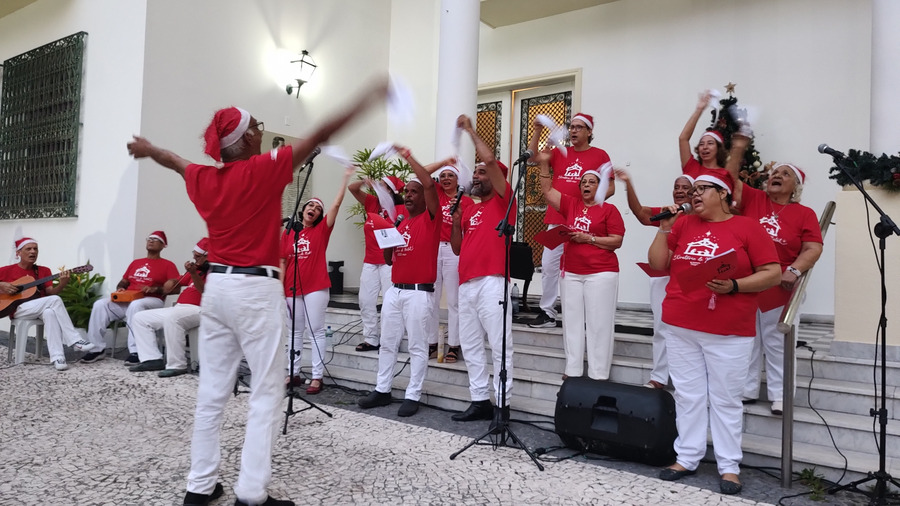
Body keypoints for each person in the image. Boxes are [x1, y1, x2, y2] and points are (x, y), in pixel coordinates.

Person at [126, 81, 386, 506]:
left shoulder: (204, 179)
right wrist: (366, 99)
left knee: (212, 391)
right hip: (255, 289)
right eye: (256, 128)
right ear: (245, 138)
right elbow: (319, 134)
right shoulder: (262, 168)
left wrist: (150, 149)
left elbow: (176, 162)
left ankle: (200, 485)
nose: (260, 133)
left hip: (218, 291)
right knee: (266, 390)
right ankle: (251, 493)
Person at [648, 170, 780, 495]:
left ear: (722, 193)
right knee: (689, 395)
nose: (694, 194)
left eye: (702, 189)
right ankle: (687, 456)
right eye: (692, 190)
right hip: (681, 326)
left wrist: (735, 285)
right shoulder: (683, 224)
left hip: (728, 331)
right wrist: (664, 230)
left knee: (725, 399)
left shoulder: (747, 226)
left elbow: (773, 273)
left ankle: (729, 465)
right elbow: (657, 264)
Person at [727, 135, 824, 415]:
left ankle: (780, 396)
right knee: (747, 337)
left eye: (785, 174)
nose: (776, 176)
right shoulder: (756, 199)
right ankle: (746, 389)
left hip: (779, 282)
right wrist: (738, 147)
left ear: (796, 186)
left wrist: (794, 270)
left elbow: (813, 247)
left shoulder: (804, 213)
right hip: (748, 280)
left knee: (776, 340)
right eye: (773, 173)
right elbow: (729, 178)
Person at [357, 148, 441, 418]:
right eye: (408, 193)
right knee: (388, 342)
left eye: (414, 192)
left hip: (418, 293)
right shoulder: (401, 223)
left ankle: (413, 394)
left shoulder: (431, 219)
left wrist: (407, 157)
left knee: (417, 346)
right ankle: (382, 389)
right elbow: (389, 260)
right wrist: (387, 237)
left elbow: (428, 182)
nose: (410, 195)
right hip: (395, 290)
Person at [449, 115, 516, 427]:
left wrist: (470, 131)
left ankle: (502, 406)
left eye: (481, 171)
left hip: (493, 282)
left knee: (500, 345)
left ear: (496, 177)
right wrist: (455, 220)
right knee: (472, 345)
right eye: (475, 171)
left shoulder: (505, 201)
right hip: (467, 284)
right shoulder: (471, 208)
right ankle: (479, 401)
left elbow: (489, 157)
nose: (476, 175)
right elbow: (457, 249)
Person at [537, 149, 624, 381]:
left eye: (592, 182)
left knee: (599, 325)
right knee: (572, 323)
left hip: (601, 274)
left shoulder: (609, 210)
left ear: (601, 186)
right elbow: (547, 191)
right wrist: (545, 165)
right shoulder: (571, 205)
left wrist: (590, 239)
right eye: (583, 182)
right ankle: (573, 369)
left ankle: (598, 374)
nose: (586, 185)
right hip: (572, 273)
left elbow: (617, 241)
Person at [527, 113, 615, 328]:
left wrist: (591, 203)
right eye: (571, 127)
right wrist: (537, 130)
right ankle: (547, 312)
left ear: (589, 131)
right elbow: (532, 158)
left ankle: (579, 315)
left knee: (579, 267)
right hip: (557, 219)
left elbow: (610, 187)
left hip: (584, 221)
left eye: (579, 127)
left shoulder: (600, 155)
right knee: (548, 265)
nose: (573, 131)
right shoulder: (560, 152)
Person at [616, 170, 695, 389]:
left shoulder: (700, 217)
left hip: (689, 281)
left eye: (684, 187)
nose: (679, 191)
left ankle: (686, 379)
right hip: (662, 277)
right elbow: (641, 214)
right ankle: (659, 377)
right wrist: (629, 184)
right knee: (662, 328)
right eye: (676, 187)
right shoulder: (667, 213)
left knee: (688, 330)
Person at [282, 166, 354, 395]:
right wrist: (279, 288)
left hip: (315, 287)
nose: (313, 209)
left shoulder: (321, 230)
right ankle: (292, 373)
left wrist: (344, 178)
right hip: (291, 288)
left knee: (316, 331)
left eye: (317, 208)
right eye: (310, 205)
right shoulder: (289, 233)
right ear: (303, 210)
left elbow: (335, 206)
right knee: (294, 332)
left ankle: (316, 376)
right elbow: (283, 261)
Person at [80, 231, 180, 365]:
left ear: (163, 246)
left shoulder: (168, 265)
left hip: (152, 301)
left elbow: (176, 288)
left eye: (155, 239)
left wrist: (154, 289)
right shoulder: (136, 263)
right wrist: (120, 288)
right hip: (128, 299)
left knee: (136, 305)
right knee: (100, 304)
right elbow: (124, 281)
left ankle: (136, 351)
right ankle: (96, 349)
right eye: (149, 238)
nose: (151, 241)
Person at [0, 237, 96, 371]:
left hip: (39, 307)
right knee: (55, 300)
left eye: (35, 249)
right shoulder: (6, 270)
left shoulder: (43, 271)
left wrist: (63, 283)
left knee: (50, 312)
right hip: (17, 308)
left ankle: (58, 357)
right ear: (18, 253)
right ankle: (74, 340)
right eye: (28, 249)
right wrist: (2, 285)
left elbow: (51, 292)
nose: (33, 252)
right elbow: (52, 299)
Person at [128, 238, 209, 376]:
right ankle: (151, 358)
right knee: (140, 318)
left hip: (201, 309)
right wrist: (170, 282)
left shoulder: (214, 272)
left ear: (208, 257)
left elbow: (204, 292)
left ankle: (177, 364)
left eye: (198, 256)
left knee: (173, 318)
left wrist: (194, 274)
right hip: (180, 308)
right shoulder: (197, 270)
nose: (194, 258)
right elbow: (176, 282)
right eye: (193, 254)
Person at [347, 175, 406, 353]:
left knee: (390, 303)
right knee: (365, 300)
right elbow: (352, 188)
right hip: (370, 260)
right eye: (378, 185)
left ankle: (390, 341)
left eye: (383, 186)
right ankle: (371, 338)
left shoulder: (401, 208)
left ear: (391, 190)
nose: (379, 188)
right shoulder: (372, 203)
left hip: (390, 261)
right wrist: (366, 182)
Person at [424, 162, 474, 363]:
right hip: (434, 250)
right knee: (431, 299)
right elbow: (423, 174)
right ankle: (432, 343)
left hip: (455, 250)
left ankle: (454, 344)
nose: (445, 178)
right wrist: (446, 160)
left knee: (454, 300)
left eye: (450, 175)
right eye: (442, 175)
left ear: (458, 180)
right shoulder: (436, 196)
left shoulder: (468, 202)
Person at [679, 91, 727, 179]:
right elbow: (683, 139)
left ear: (718, 148)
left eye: (710, 143)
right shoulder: (692, 167)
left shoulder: (725, 174)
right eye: (701, 144)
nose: (705, 147)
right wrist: (699, 110)